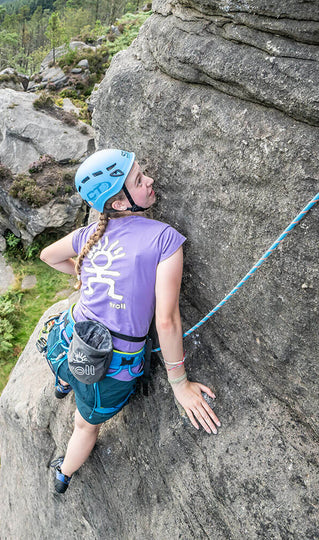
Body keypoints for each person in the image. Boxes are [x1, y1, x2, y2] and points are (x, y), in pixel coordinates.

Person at [40, 148, 221, 493]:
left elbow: (48, 256)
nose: (150, 181)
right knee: (84, 426)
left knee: (67, 368)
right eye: (139, 179)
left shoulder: (87, 234)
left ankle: (63, 382)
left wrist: (82, 277)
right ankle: (63, 474)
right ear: (120, 203)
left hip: (68, 337)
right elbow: (165, 321)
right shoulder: (164, 239)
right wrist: (179, 384)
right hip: (108, 368)